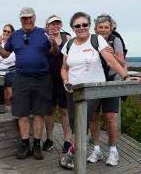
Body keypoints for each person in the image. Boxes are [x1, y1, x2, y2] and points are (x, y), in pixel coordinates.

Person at [59, 12, 138, 170]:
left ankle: (73, 155)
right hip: (73, 91)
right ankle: (81, 152)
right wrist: (66, 81)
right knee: (76, 125)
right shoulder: (69, 44)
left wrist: (125, 76)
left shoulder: (97, 40)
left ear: (89, 26)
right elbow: (64, 68)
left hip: (93, 90)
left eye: (84, 25)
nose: (81, 28)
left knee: (84, 125)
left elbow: (111, 61)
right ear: (72, 28)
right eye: (77, 25)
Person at [0, 7, 58, 160]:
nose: (27, 21)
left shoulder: (43, 33)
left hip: (42, 78)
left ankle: (37, 145)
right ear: (20, 19)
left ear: (35, 18)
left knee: (40, 112)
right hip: (21, 78)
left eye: (30, 18)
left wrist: (53, 43)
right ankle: (25, 144)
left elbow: (54, 52)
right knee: (22, 113)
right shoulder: (15, 36)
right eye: (24, 18)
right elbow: (5, 54)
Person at [87, 14, 127, 166]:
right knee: (93, 117)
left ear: (111, 29)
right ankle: (97, 149)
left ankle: (113, 151)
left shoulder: (115, 40)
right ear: (95, 28)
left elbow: (122, 62)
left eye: (106, 27)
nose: (103, 30)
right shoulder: (90, 40)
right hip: (93, 81)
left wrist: (112, 54)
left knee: (110, 117)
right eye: (100, 27)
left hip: (110, 82)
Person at [43, 14, 72, 153]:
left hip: (64, 79)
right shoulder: (44, 39)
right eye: (52, 24)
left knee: (65, 110)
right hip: (48, 80)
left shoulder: (67, 38)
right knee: (50, 111)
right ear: (47, 26)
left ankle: (67, 140)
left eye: (57, 23)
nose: (55, 26)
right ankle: (49, 139)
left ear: (61, 25)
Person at [0, 24, 15, 111]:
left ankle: (13, 117)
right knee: (3, 99)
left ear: (12, 33)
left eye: (8, 31)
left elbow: (12, 58)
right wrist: (4, 56)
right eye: (4, 30)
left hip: (10, 73)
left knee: (10, 98)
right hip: (0, 74)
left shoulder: (13, 43)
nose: (6, 33)